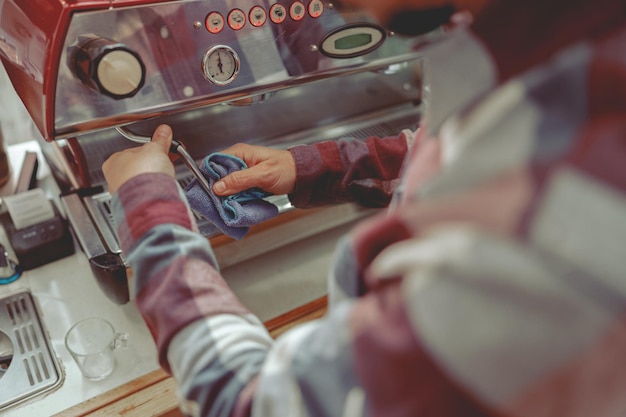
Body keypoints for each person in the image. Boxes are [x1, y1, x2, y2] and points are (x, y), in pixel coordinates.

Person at [103, 0, 626, 416]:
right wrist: (314, 164)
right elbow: (467, 147)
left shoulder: (551, 237)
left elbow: (255, 403)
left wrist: (151, 216)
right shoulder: (566, 60)